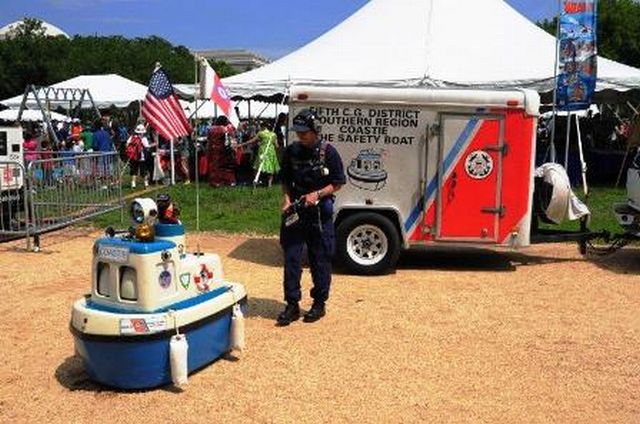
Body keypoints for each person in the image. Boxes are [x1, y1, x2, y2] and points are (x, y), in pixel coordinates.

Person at [277, 109, 346, 326]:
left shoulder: (329, 152)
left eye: (305, 132)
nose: (301, 136)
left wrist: (317, 194)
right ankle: (292, 304)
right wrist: (286, 200)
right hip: (296, 213)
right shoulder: (291, 152)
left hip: (319, 214)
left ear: (315, 130)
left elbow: (338, 182)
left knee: (320, 258)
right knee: (292, 258)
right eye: (298, 132)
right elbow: (286, 180)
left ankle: (319, 303)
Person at [246, 120, 280, 187]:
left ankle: (256, 181)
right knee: (271, 168)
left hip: (263, 151)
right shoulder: (273, 134)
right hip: (271, 151)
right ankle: (269, 184)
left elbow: (252, 141)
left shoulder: (260, 133)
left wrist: (242, 144)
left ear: (263, 127)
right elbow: (277, 146)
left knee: (257, 166)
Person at [206, 116, 237, 187]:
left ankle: (214, 181)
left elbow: (209, 140)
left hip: (212, 149)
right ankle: (226, 181)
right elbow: (228, 141)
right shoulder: (226, 129)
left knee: (214, 166)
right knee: (225, 166)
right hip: (222, 150)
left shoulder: (211, 129)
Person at [125, 124, 150, 188]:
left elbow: (126, 145)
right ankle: (146, 183)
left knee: (134, 170)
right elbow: (147, 147)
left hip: (133, 157)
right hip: (141, 157)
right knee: (144, 170)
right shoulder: (144, 138)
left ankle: (133, 183)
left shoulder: (132, 137)